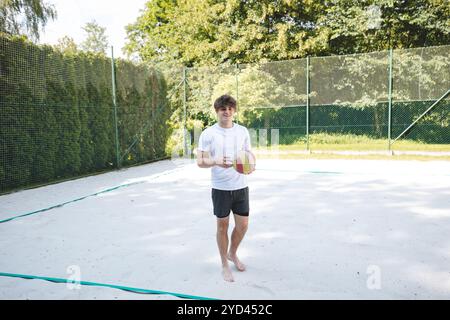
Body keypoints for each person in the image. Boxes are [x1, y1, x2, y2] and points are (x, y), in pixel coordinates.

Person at [197, 94, 255, 282]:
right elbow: (200, 161)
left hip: (241, 186)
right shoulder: (208, 134)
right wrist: (215, 161)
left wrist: (250, 165)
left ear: (234, 111)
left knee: (243, 225)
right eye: (223, 109)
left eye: (230, 109)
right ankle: (224, 264)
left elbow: (248, 154)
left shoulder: (242, 131)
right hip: (221, 188)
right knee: (222, 227)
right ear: (217, 111)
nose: (227, 112)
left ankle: (233, 253)